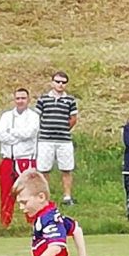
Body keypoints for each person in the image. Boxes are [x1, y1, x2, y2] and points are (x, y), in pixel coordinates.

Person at [0, 87, 40, 228]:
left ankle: (32, 222)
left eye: (23, 98)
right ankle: (5, 222)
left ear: (28, 100)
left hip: (25, 158)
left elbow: (29, 133)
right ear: (14, 100)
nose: (20, 101)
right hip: (8, 158)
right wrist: (16, 136)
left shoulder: (33, 116)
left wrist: (11, 133)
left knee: (28, 192)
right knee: (6, 192)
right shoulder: (6, 116)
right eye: (18, 98)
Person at [34, 71, 79, 205]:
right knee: (44, 169)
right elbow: (37, 117)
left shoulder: (70, 100)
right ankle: (45, 197)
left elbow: (73, 119)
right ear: (52, 82)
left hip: (64, 140)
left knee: (66, 168)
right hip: (45, 140)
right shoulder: (43, 99)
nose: (60, 84)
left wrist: (63, 129)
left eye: (63, 82)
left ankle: (67, 196)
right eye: (57, 81)